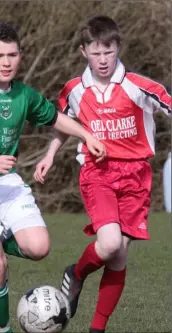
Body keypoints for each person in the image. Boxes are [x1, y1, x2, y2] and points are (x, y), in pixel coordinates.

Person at [0, 20, 106, 333]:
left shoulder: (23, 95)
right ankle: (3, 330)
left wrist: (86, 135)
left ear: (20, 56)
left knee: (39, 248)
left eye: (12, 55)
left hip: (6, 183)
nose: (6, 62)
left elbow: (55, 117)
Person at [34, 15, 171, 333]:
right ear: (84, 52)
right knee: (109, 244)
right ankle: (76, 274)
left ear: (117, 48)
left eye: (108, 52)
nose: (103, 59)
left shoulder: (139, 87)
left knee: (119, 256)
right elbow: (63, 126)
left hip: (136, 179)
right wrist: (50, 155)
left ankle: (97, 329)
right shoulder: (75, 90)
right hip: (98, 174)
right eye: (96, 53)